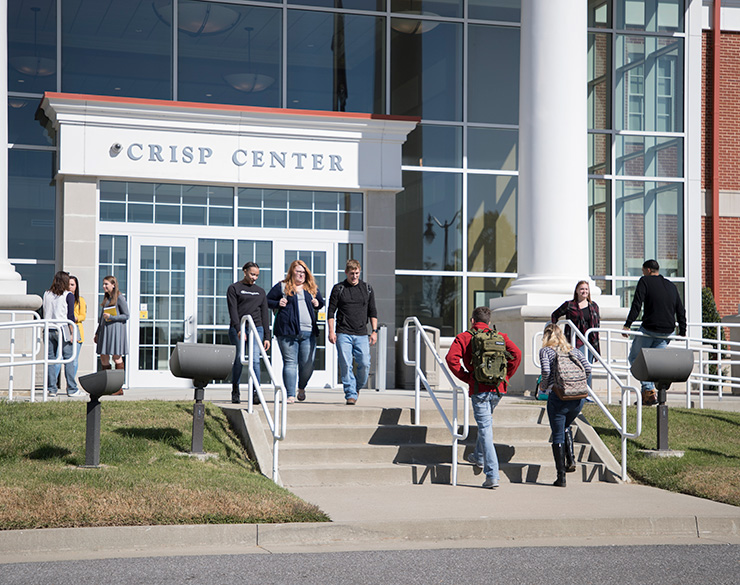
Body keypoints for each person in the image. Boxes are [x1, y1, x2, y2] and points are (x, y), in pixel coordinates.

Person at [445, 306, 521, 489]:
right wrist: (506, 377)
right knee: (485, 424)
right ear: (488, 322)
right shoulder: (500, 336)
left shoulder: (464, 337)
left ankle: (492, 475)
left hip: (479, 389)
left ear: (472, 321)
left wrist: (467, 377)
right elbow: (516, 355)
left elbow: (450, 359)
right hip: (498, 389)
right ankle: (478, 457)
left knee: (486, 429)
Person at [622, 259, 687, 406]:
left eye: (643, 270)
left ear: (648, 270)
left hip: (650, 329)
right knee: (653, 365)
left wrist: (628, 324)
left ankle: (649, 392)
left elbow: (637, 304)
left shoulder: (645, 281)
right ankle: (648, 395)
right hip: (666, 332)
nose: (643, 273)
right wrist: (683, 330)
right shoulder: (671, 285)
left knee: (635, 359)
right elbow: (680, 309)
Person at [539, 323, 590, 488]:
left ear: (546, 336)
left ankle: (561, 478)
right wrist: (577, 383)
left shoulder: (545, 351)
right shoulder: (573, 350)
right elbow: (588, 369)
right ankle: (571, 460)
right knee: (566, 426)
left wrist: (544, 386)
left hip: (559, 397)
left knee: (558, 434)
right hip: (578, 398)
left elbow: (546, 372)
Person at [267, 260, 325, 404]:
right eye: (298, 271)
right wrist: (277, 303)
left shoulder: (311, 288)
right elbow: (267, 300)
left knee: (308, 363)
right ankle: (290, 395)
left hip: (308, 333)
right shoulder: (282, 286)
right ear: (292, 272)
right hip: (287, 332)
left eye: (303, 272)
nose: (301, 274)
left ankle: (302, 387)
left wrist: (317, 304)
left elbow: (321, 303)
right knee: (290, 363)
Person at [327, 259, 378, 405]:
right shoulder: (339, 288)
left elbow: (372, 311)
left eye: (356, 273)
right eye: (351, 274)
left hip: (362, 333)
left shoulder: (367, 288)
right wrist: (331, 331)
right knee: (346, 363)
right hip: (343, 332)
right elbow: (331, 312)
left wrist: (374, 331)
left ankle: (357, 388)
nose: (354, 276)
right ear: (346, 273)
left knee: (364, 363)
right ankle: (350, 393)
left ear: (359, 272)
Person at [227, 261, 271, 405]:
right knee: (240, 358)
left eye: (257, 275)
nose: (254, 278)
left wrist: (267, 336)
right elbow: (233, 311)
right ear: (244, 271)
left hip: (256, 327)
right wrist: (239, 329)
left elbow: (265, 315)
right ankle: (235, 389)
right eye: (252, 274)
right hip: (239, 326)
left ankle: (256, 391)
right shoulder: (234, 288)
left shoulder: (260, 291)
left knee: (255, 359)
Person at [551, 280, 600, 387]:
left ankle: (587, 392)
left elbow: (597, 324)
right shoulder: (569, 305)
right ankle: (577, 390)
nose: (584, 291)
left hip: (590, 341)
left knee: (587, 367)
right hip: (576, 341)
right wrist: (555, 331)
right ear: (577, 291)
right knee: (579, 366)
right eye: (582, 289)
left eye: (586, 289)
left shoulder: (594, 306)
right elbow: (555, 315)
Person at [42, 271, 83, 397]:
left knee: (51, 360)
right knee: (69, 359)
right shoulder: (68, 295)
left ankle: (52, 389)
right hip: (63, 328)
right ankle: (71, 389)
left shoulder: (47, 294)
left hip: (48, 328)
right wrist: (72, 333)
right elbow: (70, 316)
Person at [94, 275, 129, 396]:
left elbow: (126, 315)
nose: (104, 286)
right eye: (103, 284)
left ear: (113, 285)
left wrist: (112, 317)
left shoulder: (120, 297)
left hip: (115, 332)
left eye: (106, 284)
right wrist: (97, 332)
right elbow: (101, 319)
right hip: (104, 331)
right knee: (103, 357)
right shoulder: (106, 299)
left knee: (116, 357)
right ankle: (107, 386)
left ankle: (118, 388)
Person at [67, 275, 87, 395]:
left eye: (72, 285)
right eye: (68, 284)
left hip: (77, 330)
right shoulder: (63, 298)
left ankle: (71, 384)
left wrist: (76, 317)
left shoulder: (80, 300)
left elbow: (83, 316)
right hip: (65, 331)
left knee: (74, 361)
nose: (70, 287)